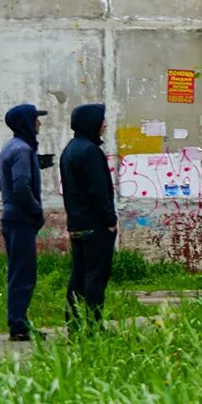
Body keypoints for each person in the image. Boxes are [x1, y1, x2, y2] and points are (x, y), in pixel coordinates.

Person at [61, 103, 118, 331]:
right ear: (90, 123)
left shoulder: (70, 150)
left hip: (77, 223)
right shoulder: (91, 152)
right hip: (95, 225)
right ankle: (95, 327)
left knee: (78, 276)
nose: (104, 124)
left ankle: (73, 325)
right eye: (101, 120)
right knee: (96, 276)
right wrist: (110, 220)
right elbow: (98, 191)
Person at [0, 103, 48, 341]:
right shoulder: (23, 150)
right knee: (23, 273)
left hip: (13, 217)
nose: (39, 123)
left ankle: (19, 322)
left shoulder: (11, 147)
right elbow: (21, 186)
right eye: (35, 119)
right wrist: (36, 210)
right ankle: (18, 325)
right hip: (20, 218)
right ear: (26, 122)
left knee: (18, 271)